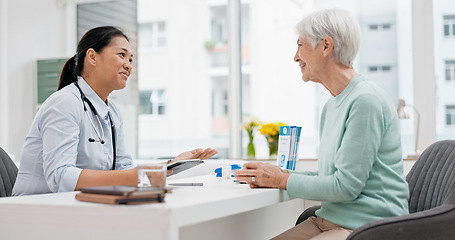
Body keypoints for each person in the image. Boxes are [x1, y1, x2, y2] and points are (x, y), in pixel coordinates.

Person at [235, 8, 409, 240]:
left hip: (368, 227)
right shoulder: (333, 105)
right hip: (328, 221)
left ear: (326, 46)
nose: (295, 57)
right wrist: (280, 173)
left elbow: (345, 187)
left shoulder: (366, 101)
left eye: (300, 45)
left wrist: (281, 180)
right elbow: (330, 175)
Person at [12, 26, 217, 196]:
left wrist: (171, 165)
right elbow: (60, 177)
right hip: (34, 210)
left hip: (78, 208)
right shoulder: (65, 103)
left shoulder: (113, 112)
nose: (128, 65)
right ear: (92, 57)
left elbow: (123, 170)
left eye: (131, 59)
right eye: (122, 55)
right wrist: (139, 175)